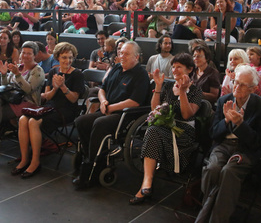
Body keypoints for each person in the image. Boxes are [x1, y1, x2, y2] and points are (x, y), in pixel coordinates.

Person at [195, 64, 261, 223]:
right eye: (236, 82)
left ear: (253, 89)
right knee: (212, 168)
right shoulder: (225, 100)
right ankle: (208, 212)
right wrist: (226, 120)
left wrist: (240, 125)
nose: (237, 87)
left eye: (242, 85)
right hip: (224, 145)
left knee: (229, 171)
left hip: (246, 149)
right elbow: (213, 133)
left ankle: (213, 219)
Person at [74, 42, 150, 188]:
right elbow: (102, 89)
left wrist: (112, 107)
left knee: (100, 123)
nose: (122, 56)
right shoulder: (116, 68)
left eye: (126, 54)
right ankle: (90, 157)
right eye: (121, 52)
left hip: (126, 115)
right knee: (81, 121)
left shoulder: (141, 75)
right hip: (108, 109)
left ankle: (94, 168)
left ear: (137, 57)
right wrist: (103, 102)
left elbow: (135, 102)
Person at [130, 53, 202, 204]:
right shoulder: (168, 86)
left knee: (153, 131)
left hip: (183, 131)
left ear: (189, 70)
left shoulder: (195, 91)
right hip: (164, 128)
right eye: (173, 67)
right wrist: (158, 87)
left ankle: (146, 184)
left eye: (179, 67)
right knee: (153, 129)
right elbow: (155, 108)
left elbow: (186, 115)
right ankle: (147, 182)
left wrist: (182, 92)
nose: (175, 70)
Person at [11, 42, 85, 179]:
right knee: (22, 119)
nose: (67, 61)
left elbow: (74, 99)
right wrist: (55, 88)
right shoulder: (53, 72)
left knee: (33, 122)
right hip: (50, 106)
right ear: (58, 58)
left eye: (70, 57)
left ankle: (35, 161)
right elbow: (46, 96)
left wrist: (63, 87)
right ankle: (24, 159)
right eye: (64, 57)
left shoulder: (77, 75)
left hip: (67, 110)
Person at [0, 41, 45, 128]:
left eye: (29, 53)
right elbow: (6, 86)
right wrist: (4, 74)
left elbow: (28, 90)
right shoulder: (19, 67)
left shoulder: (38, 71)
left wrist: (18, 75)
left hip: (27, 102)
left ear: (34, 56)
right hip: (11, 99)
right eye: (23, 52)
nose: (25, 55)